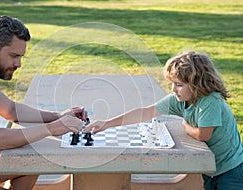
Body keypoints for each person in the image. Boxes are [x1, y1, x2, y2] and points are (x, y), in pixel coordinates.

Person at [0, 15, 86, 190]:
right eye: (13, 56)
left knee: (34, 159)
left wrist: (58, 117)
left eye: (21, 57)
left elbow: (10, 110)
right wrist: (52, 128)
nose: (18, 64)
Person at [85, 51, 243, 189]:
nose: (173, 90)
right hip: (211, 167)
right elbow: (146, 112)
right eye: (172, 84)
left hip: (231, 167)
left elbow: (203, 135)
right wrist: (107, 124)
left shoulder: (210, 100)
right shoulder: (179, 99)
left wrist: (186, 127)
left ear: (197, 84)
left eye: (179, 85)